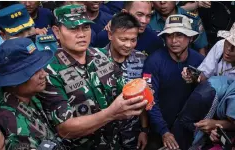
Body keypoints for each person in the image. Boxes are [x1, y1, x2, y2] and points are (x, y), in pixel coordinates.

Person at [38, 5, 148, 150]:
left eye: (85, 28)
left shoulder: (101, 55)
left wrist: (142, 94)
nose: (81, 34)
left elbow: (123, 90)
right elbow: (64, 128)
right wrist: (111, 113)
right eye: (73, 29)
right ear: (57, 32)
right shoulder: (49, 71)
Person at [0, 38, 64, 149]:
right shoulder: (14, 126)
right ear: (13, 81)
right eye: (34, 71)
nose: (43, 74)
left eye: (41, 67)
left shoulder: (25, 93)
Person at [143, 14, 204, 149]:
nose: (174, 40)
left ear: (190, 38)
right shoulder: (153, 62)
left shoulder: (199, 61)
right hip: (159, 129)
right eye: (169, 35)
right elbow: (149, 99)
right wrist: (163, 131)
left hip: (189, 128)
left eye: (179, 35)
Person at [104, 12, 148, 150]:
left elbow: (145, 97)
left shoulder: (142, 60)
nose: (128, 45)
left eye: (133, 40)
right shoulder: (94, 59)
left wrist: (144, 130)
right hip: (102, 135)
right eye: (123, 39)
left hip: (131, 133)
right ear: (110, 35)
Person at [171, 76, 235, 149]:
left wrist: (218, 126)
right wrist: (206, 129)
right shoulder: (205, 97)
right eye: (233, 120)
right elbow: (186, 124)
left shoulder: (233, 96)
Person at [95, 1, 164, 55]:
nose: (144, 21)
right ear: (125, 13)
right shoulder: (105, 37)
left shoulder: (154, 40)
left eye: (148, 16)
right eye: (139, 14)